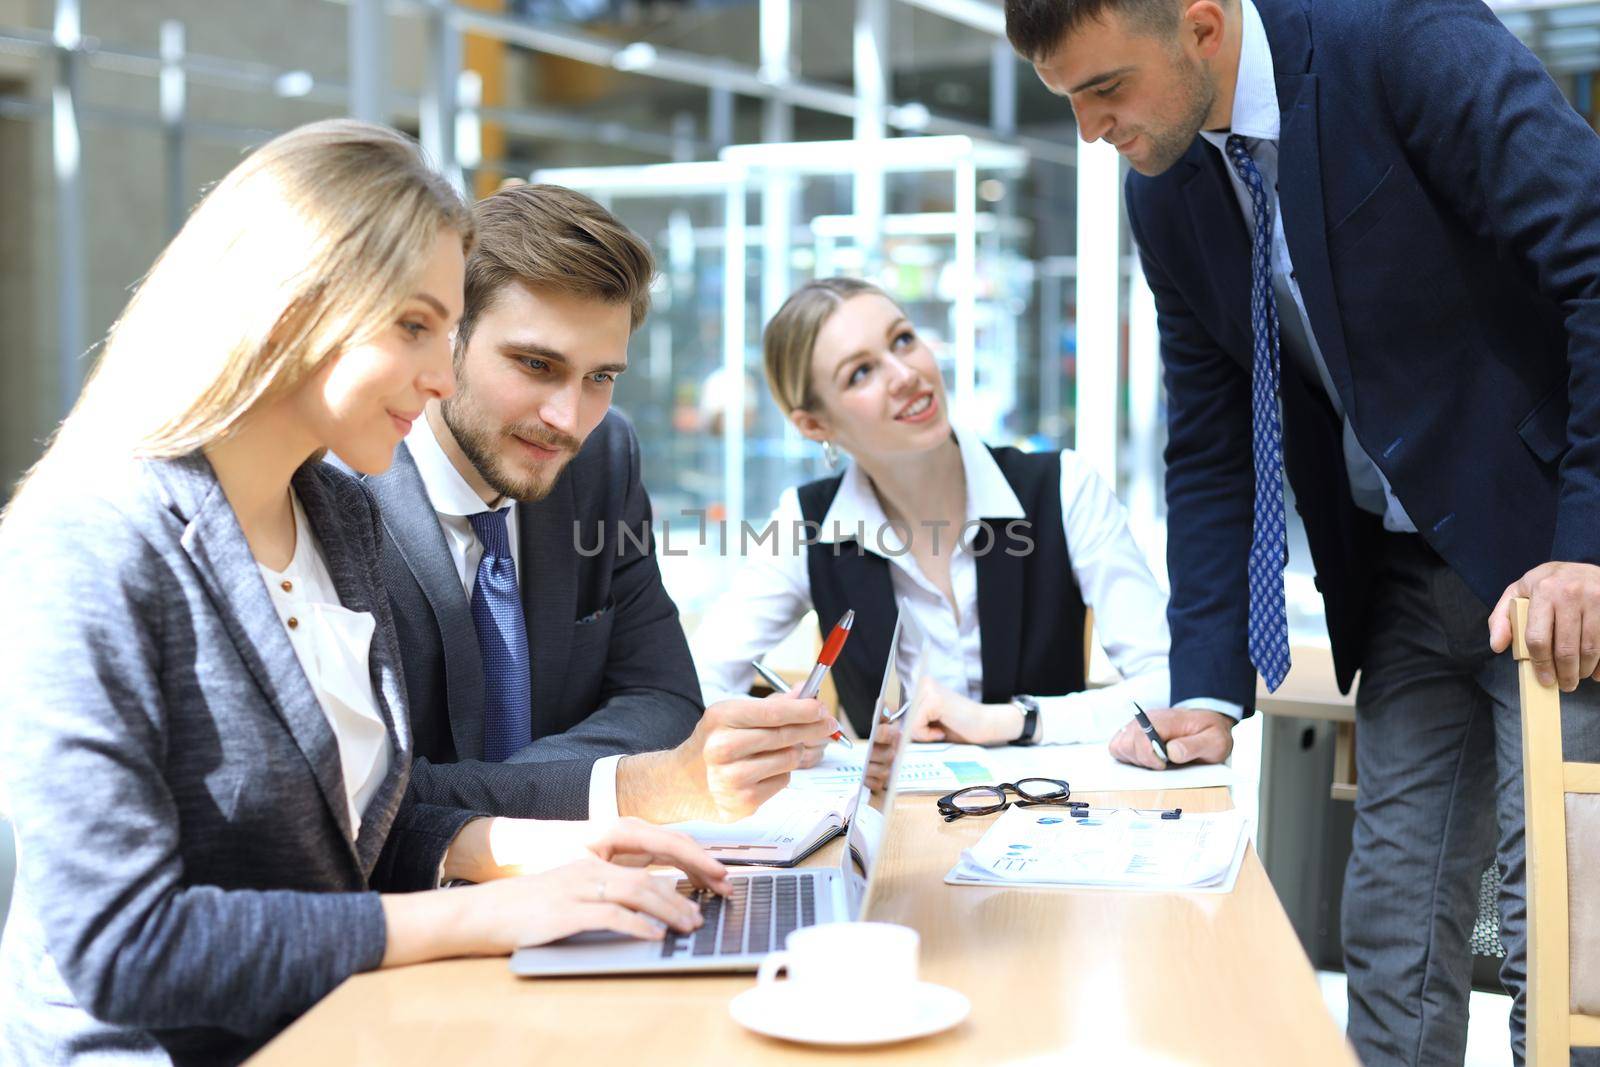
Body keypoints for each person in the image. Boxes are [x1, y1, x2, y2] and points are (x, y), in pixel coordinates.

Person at [0, 120, 729, 1066]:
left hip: (350, 1019)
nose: (439, 376)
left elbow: (352, 830)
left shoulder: (334, 514)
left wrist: (531, 848)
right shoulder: (91, 540)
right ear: (296, 307)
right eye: (416, 326)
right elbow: (125, 946)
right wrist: (474, 916)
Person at [1004, 0, 1600, 1062]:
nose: (1091, 131)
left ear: (1200, 25)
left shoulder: (1402, 41)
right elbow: (1213, 441)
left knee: (1563, 943)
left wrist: (1588, 540)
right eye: (1068, 101)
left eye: (1103, 90)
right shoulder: (1168, 187)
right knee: (1390, 937)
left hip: (1552, 561)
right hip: (1403, 575)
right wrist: (1205, 681)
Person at [353, 183, 839, 826]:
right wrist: (626, 788)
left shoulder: (602, 459)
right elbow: (363, 798)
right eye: (535, 364)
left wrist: (496, 794)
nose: (568, 418)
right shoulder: (341, 496)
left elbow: (664, 696)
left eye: (600, 377)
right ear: (448, 340)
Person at [692, 277, 1171, 752]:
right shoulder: (807, 524)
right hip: (895, 825)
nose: (905, 374)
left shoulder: (1063, 488)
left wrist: (1012, 721)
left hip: (1051, 811)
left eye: (903, 340)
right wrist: (781, 733)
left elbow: (1170, 681)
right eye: (860, 372)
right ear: (816, 425)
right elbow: (692, 687)